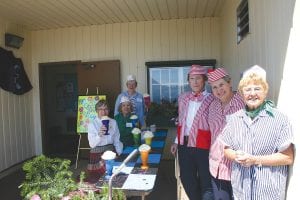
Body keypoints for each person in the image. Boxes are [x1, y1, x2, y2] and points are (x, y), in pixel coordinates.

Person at [219, 65, 294, 200]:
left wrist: (255, 160)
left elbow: (287, 157)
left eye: (257, 88)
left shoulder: (279, 119)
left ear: (265, 91)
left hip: (268, 193)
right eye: (247, 89)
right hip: (241, 192)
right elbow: (226, 149)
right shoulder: (235, 119)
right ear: (241, 94)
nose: (252, 93)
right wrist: (236, 156)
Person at [170, 65, 214, 200]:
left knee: (206, 179)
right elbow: (182, 122)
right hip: (185, 144)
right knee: (186, 178)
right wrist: (176, 142)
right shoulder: (183, 98)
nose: (195, 82)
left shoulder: (212, 98)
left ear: (204, 80)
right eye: (192, 78)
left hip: (204, 144)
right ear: (188, 81)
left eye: (198, 78)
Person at [207, 68, 245, 200]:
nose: (219, 90)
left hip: (238, 168)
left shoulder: (243, 103)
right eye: (214, 87)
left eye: (221, 84)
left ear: (229, 83)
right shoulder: (213, 106)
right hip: (216, 167)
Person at [87, 100, 123, 178]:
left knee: (117, 173)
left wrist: (120, 154)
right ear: (97, 111)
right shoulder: (92, 124)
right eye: (100, 109)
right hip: (97, 154)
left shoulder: (113, 122)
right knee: (102, 176)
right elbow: (92, 144)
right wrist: (99, 135)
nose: (103, 111)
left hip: (111, 151)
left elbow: (117, 140)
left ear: (109, 110)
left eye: (106, 109)